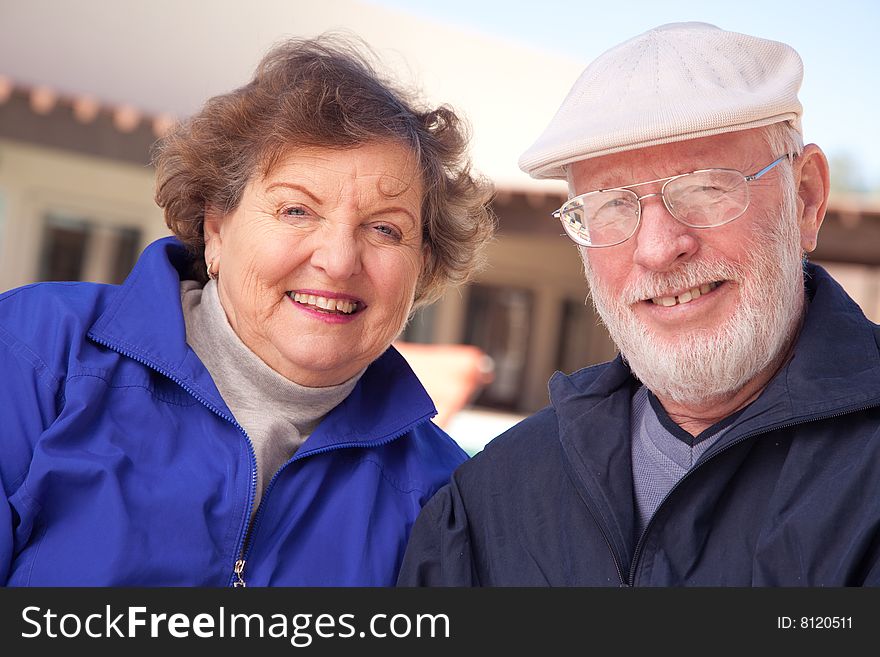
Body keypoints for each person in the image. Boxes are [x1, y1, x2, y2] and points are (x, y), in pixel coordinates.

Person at [0, 35, 495, 586]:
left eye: (384, 228)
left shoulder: (447, 497)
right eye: (296, 210)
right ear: (216, 230)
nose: (337, 260)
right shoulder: (34, 353)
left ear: (423, 267)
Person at [398, 22, 880, 586]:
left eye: (706, 186)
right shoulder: (491, 504)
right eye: (610, 204)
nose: (656, 249)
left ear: (806, 198)